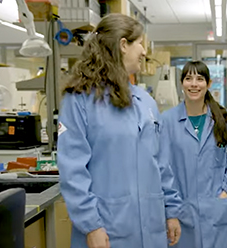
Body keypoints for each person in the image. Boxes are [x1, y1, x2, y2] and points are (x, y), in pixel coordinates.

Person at [57, 13, 181, 248]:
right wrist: (90, 224)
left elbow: (162, 164)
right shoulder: (80, 99)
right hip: (107, 230)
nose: (144, 51)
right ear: (123, 45)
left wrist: (171, 211)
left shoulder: (146, 102)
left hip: (152, 229)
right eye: (140, 43)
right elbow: (72, 170)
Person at [160, 61, 227, 248]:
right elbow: (163, 168)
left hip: (216, 209)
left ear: (208, 84)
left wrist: (225, 192)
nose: (194, 84)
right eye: (188, 79)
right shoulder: (167, 121)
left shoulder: (223, 118)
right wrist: (171, 209)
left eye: (199, 79)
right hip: (182, 210)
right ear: (181, 83)